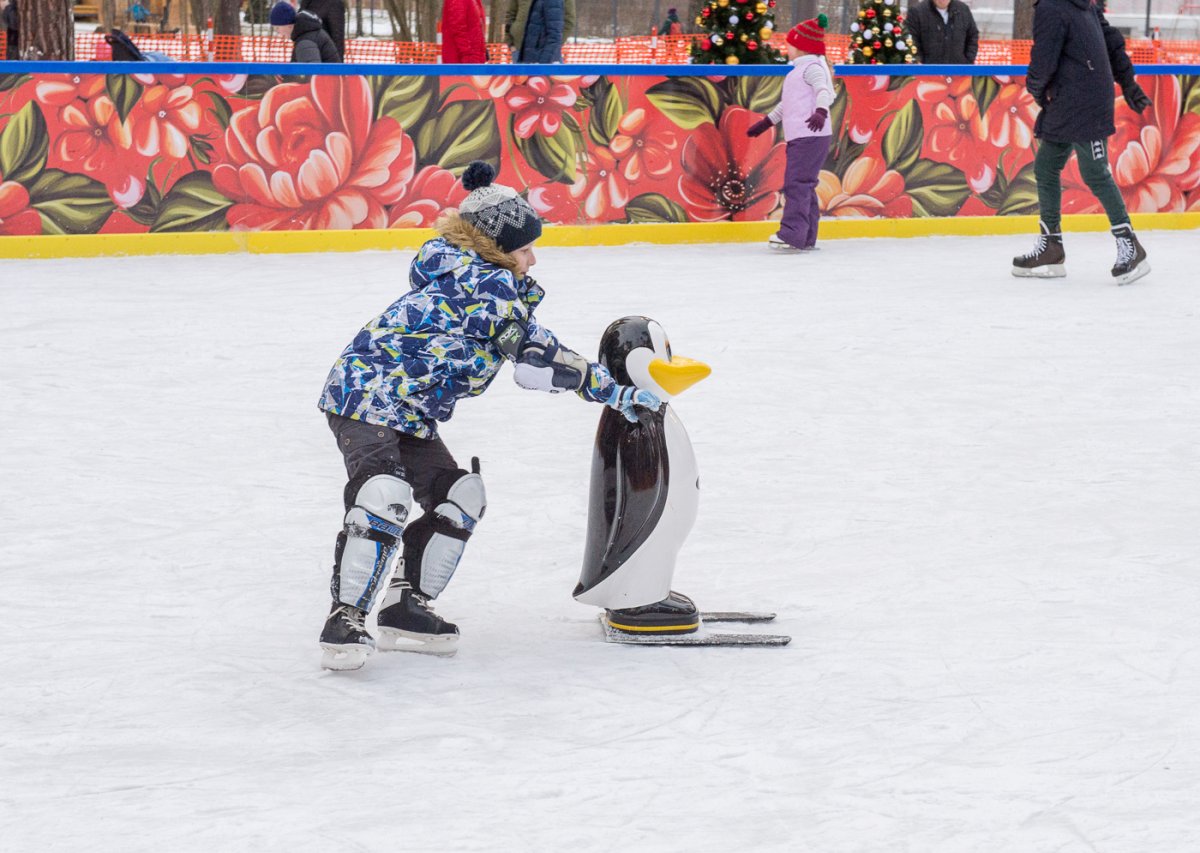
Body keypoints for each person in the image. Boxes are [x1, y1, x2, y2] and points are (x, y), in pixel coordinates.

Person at [315, 161, 662, 670]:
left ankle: (405, 605)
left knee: (461, 496)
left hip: (409, 411)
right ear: (497, 249)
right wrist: (618, 394)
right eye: (525, 249)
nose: (533, 259)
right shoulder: (483, 285)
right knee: (383, 496)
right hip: (363, 398)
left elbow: (529, 367)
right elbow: (539, 357)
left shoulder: (484, 280)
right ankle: (345, 618)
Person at [1013, 0, 1153, 284]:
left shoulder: (1055, 7)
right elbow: (1112, 41)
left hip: (1084, 100)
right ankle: (1051, 246)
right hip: (1070, 98)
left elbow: (1043, 58)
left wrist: (1037, 90)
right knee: (1046, 167)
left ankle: (1130, 245)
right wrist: (1127, 83)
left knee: (1095, 171)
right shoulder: (1081, 4)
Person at [746, 15, 835, 252]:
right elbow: (787, 105)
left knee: (796, 184)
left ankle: (792, 233)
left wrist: (821, 112)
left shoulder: (813, 68)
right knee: (804, 185)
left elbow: (823, 92)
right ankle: (806, 236)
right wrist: (766, 123)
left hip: (811, 134)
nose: (787, 48)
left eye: (791, 44)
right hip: (803, 135)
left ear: (803, 46)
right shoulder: (797, 71)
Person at [906, 0, 978, 65]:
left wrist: (968, 61)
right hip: (927, 74)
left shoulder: (963, 10)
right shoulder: (917, 12)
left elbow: (972, 36)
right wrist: (919, 62)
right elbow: (911, 40)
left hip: (959, 73)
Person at [505, 0, 574, 63]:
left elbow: (568, 21)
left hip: (545, 51)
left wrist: (553, 47)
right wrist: (510, 42)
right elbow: (510, 15)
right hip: (518, 47)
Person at [270, 2, 341, 63]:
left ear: (288, 25)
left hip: (330, 78)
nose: (278, 32)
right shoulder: (306, 34)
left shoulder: (305, 41)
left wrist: (289, 77)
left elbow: (312, 74)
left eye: (277, 28)